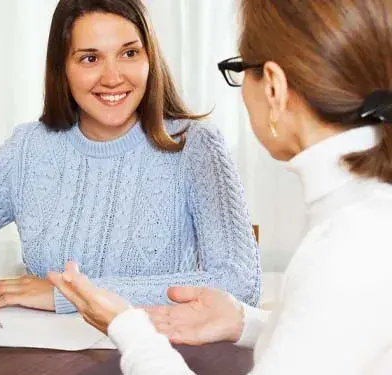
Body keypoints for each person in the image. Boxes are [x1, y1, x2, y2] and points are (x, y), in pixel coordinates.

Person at [49, 0, 392, 373]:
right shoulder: (361, 214)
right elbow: (334, 339)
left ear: (274, 87)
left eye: (242, 70)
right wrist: (245, 323)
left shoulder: (349, 244)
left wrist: (128, 328)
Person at [0, 0, 260, 315]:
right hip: (47, 356)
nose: (113, 78)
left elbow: (239, 281)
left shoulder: (194, 144)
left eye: (129, 53)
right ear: (62, 69)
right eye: (89, 58)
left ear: (150, 59)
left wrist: (73, 294)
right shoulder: (29, 149)